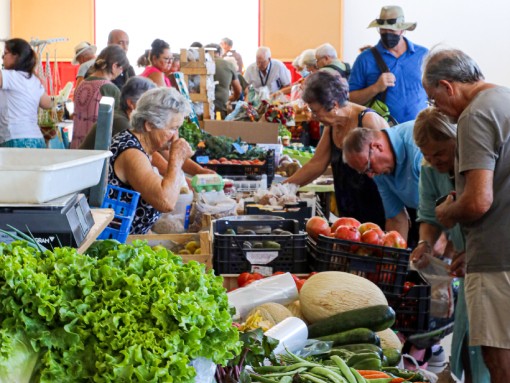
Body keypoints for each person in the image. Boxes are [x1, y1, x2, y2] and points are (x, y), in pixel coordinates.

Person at [423, 47, 510, 382]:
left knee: (498, 355)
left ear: (447, 86)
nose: (436, 109)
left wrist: (447, 210)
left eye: (434, 100)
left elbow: (477, 201)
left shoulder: (474, 115)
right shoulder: (504, 98)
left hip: (496, 256)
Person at [411, 107, 490, 383]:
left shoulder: (480, 165)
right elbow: (429, 216)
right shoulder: (429, 168)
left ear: (457, 141)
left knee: (490, 346)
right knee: (469, 343)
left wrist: (476, 254)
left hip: (494, 262)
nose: (433, 161)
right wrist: (425, 244)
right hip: (468, 268)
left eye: (440, 154)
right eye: (427, 155)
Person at [284, 71, 388, 227]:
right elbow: (317, 164)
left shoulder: (367, 121)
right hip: (348, 210)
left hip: (378, 209)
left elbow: (388, 170)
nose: (312, 116)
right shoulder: (332, 125)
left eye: (315, 110)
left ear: (334, 105)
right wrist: (282, 188)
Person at [107, 87, 193, 235]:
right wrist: (177, 159)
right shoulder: (131, 153)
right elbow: (166, 202)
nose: (175, 137)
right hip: (116, 246)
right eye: (173, 129)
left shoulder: (144, 148)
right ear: (149, 125)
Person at [342, 121, 422, 246]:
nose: (370, 175)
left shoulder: (416, 146)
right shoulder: (379, 171)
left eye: (368, 167)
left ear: (377, 147)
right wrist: (391, 260)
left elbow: (449, 196)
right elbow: (396, 219)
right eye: (364, 172)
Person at [348, 5, 428, 124]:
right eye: (383, 30)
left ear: (402, 30)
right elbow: (350, 100)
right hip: (383, 132)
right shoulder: (365, 59)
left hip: (420, 130)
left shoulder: (423, 55)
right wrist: (375, 88)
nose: (387, 33)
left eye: (391, 30)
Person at [72, 45, 129, 148]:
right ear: (114, 66)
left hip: (76, 147)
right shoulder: (109, 88)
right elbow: (119, 123)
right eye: (121, 69)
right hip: (96, 150)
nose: (121, 73)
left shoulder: (82, 84)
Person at [0, 38, 52, 148]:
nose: (2, 57)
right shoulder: (34, 80)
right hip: (36, 139)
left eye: (5, 53)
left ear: (16, 56)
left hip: (16, 139)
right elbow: (47, 103)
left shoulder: (10, 76)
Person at [79, 76, 156, 150]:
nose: (152, 108)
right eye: (147, 103)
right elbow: (141, 150)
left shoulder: (125, 118)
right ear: (131, 103)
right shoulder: (119, 121)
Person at [204, 43, 241, 119]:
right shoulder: (228, 64)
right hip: (221, 108)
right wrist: (231, 98)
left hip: (202, 108)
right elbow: (238, 90)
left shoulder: (201, 64)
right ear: (220, 53)